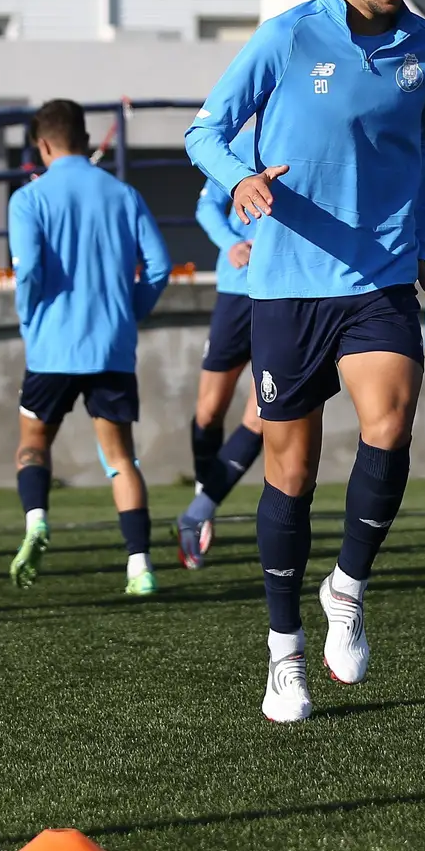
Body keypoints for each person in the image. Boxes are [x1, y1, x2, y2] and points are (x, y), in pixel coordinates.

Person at [185, 0, 425, 724]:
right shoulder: (287, 36)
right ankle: (284, 653)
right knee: (291, 475)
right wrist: (242, 181)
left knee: (391, 421)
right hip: (288, 283)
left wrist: (421, 246)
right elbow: (205, 133)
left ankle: (350, 588)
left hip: (377, 277)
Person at [7, 99, 171, 595]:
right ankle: (139, 565)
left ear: (43, 144)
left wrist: (29, 317)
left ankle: (36, 520)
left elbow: (30, 269)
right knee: (121, 458)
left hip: (52, 347)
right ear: (84, 136)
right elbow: (159, 267)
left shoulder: (29, 198)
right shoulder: (123, 193)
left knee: (33, 445)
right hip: (111, 347)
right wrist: (129, 312)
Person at [175, 125, 264, 569]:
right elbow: (207, 206)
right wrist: (232, 244)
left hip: (285, 297)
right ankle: (203, 490)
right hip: (235, 295)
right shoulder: (237, 145)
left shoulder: (311, 133)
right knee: (209, 410)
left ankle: (201, 508)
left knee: (263, 417)